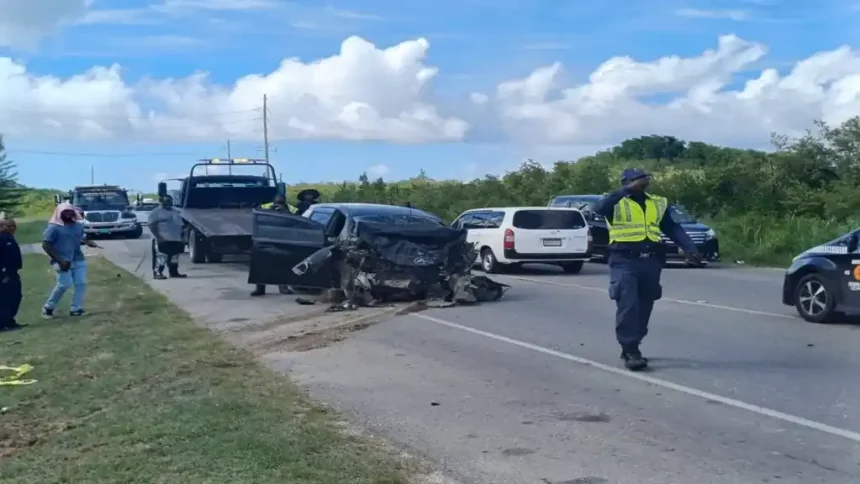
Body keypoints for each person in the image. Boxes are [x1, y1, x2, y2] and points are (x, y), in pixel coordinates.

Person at [593, 168, 702, 371]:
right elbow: (598, 209)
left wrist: (689, 247)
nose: (641, 182)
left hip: (651, 261)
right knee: (628, 303)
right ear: (625, 182)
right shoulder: (615, 201)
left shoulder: (657, 202)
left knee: (645, 305)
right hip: (623, 260)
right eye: (635, 179)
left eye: (643, 178)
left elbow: (671, 227)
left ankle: (634, 342)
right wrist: (624, 191)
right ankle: (630, 348)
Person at [41, 203, 101, 318]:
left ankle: (76, 309)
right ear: (59, 213)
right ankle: (48, 307)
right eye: (65, 212)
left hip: (78, 259)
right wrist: (60, 260)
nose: (68, 214)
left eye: (70, 211)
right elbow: (46, 245)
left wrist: (88, 242)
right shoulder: (53, 228)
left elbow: (78, 238)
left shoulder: (78, 226)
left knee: (81, 283)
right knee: (64, 284)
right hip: (62, 261)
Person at [251, 194, 293, 297]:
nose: (278, 205)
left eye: (281, 203)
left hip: (282, 239)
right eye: (277, 203)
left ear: (285, 202)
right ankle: (259, 288)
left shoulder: (291, 208)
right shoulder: (264, 207)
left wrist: (285, 211)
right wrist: (269, 211)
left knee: (282, 264)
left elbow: (296, 220)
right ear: (273, 201)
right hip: (265, 238)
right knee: (261, 265)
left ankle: (283, 287)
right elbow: (256, 217)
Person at [148, 195, 187, 280]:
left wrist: (182, 237)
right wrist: (158, 237)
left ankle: (174, 272)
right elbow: (151, 225)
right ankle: (158, 272)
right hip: (162, 239)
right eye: (166, 202)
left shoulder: (176, 211)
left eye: (170, 201)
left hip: (176, 239)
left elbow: (181, 225)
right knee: (161, 257)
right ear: (162, 202)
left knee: (174, 258)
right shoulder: (156, 212)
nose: (169, 203)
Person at [0, 219, 24, 331]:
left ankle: (10, 320)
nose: (12, 228)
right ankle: (2, 323)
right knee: (5, 299)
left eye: (14, 226)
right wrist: (4, 274)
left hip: (13, 272)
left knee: (16, 296)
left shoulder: (10, 238)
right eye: (9, 226)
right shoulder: (1, 239)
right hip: (4, 274)